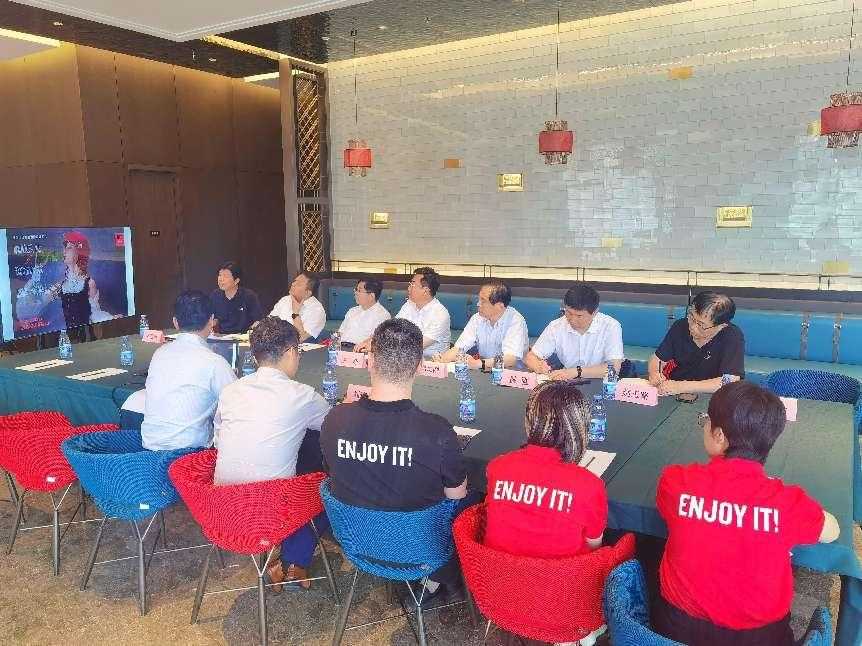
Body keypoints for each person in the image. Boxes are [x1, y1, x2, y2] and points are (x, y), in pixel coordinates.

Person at [655, 381, 839, 645]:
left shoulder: (675, 481)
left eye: (706, 421)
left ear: (719, 435)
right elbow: (832, 531)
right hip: (760, 638)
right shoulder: (786, 503)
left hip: (673, 631)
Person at [321, 318, 468, 598]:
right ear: (420, 367)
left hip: (356, 543)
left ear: (369, 361)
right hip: (420, 548)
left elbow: (332, 475)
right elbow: (456, 495)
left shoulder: (335, 418)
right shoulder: (437, 431)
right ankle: (444, 577)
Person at [213, 316, 330, 589]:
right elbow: (332, 426)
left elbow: (218, 441)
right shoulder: (302, 395)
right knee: (327, 485)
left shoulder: (230, 391)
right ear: (290, 352)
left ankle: (290, 561)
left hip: (221, 510)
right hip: (271, 513)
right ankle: (293, 560)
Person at [485, 381, 607, 557]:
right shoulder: (590, 485)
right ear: (580, 429)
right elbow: (594, 547)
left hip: (494, 572)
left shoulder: (498, 466)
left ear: (530, 422)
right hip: (565, 574)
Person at [140, 291, 236, 451]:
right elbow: (238, 405)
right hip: (190, 457)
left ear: (175, 322)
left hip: (148, 451)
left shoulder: (160, 353)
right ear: (211, 321)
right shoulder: (215, 362)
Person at [647, 291, 744, 395]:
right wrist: (655, 373)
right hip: (675, 392)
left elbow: (730, 380)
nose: (692, 327)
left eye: (701, 325)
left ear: (722, 326)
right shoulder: (680, 326)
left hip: (710, 394)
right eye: (691, 317)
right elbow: (657, 359)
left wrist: (682, 386)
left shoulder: (732, 336)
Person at [524, 284, 623, 380]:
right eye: (568, 312)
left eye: (579, 316)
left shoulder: (611, 326)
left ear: (594, 312)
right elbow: (531, 357)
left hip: (600, 381)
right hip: (568, 380)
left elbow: (614, 369)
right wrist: (539, 366)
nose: (572, 320)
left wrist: (577, 372)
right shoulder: (556, 326)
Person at [434, 280, 528, 370]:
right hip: (484, 368)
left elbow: (510, 359)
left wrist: (478, 364)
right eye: (479, 299)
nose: (478, 304)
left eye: (483, 301)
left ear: (500, 306)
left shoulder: (515, 320)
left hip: (512, 370)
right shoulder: (477, 318)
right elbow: (459, 347)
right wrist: (443, 359)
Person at [357, 267, 450, 358]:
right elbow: (391, 327)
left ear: (425, 291)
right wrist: (370, 340)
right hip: (405, 358)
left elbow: (416, 346)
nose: (408, 288)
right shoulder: (409, 305)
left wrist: (379, 346)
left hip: (431, 361)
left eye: (412, 285)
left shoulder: (440, 314)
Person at [269, 272, 326, 342]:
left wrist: (295, 313)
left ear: (308, 293)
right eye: (294, 281)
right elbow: (269, 322)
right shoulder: (285, 300)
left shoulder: (317, 310)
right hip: (275, 343)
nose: (293, 284)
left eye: (298, 284)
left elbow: (300, 338)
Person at [336, 277, 390, 349]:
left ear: (371, 296)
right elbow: (340, 333)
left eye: (359, 290)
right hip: (340, 348)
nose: (355, 293)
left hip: (360, 351)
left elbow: (376, 340)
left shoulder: (383, 315)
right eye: (356, 289)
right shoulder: (352, 311)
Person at [210, 261, 262, 334]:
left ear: (236, 281)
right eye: (220, 275)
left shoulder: (249, 296)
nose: (221, 279)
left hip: (244, 337)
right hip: (222, 337)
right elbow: (213, 319)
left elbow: (258, 321)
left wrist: (253, 330)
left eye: (226, 276)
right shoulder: (215, 295)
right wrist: (211, 324)